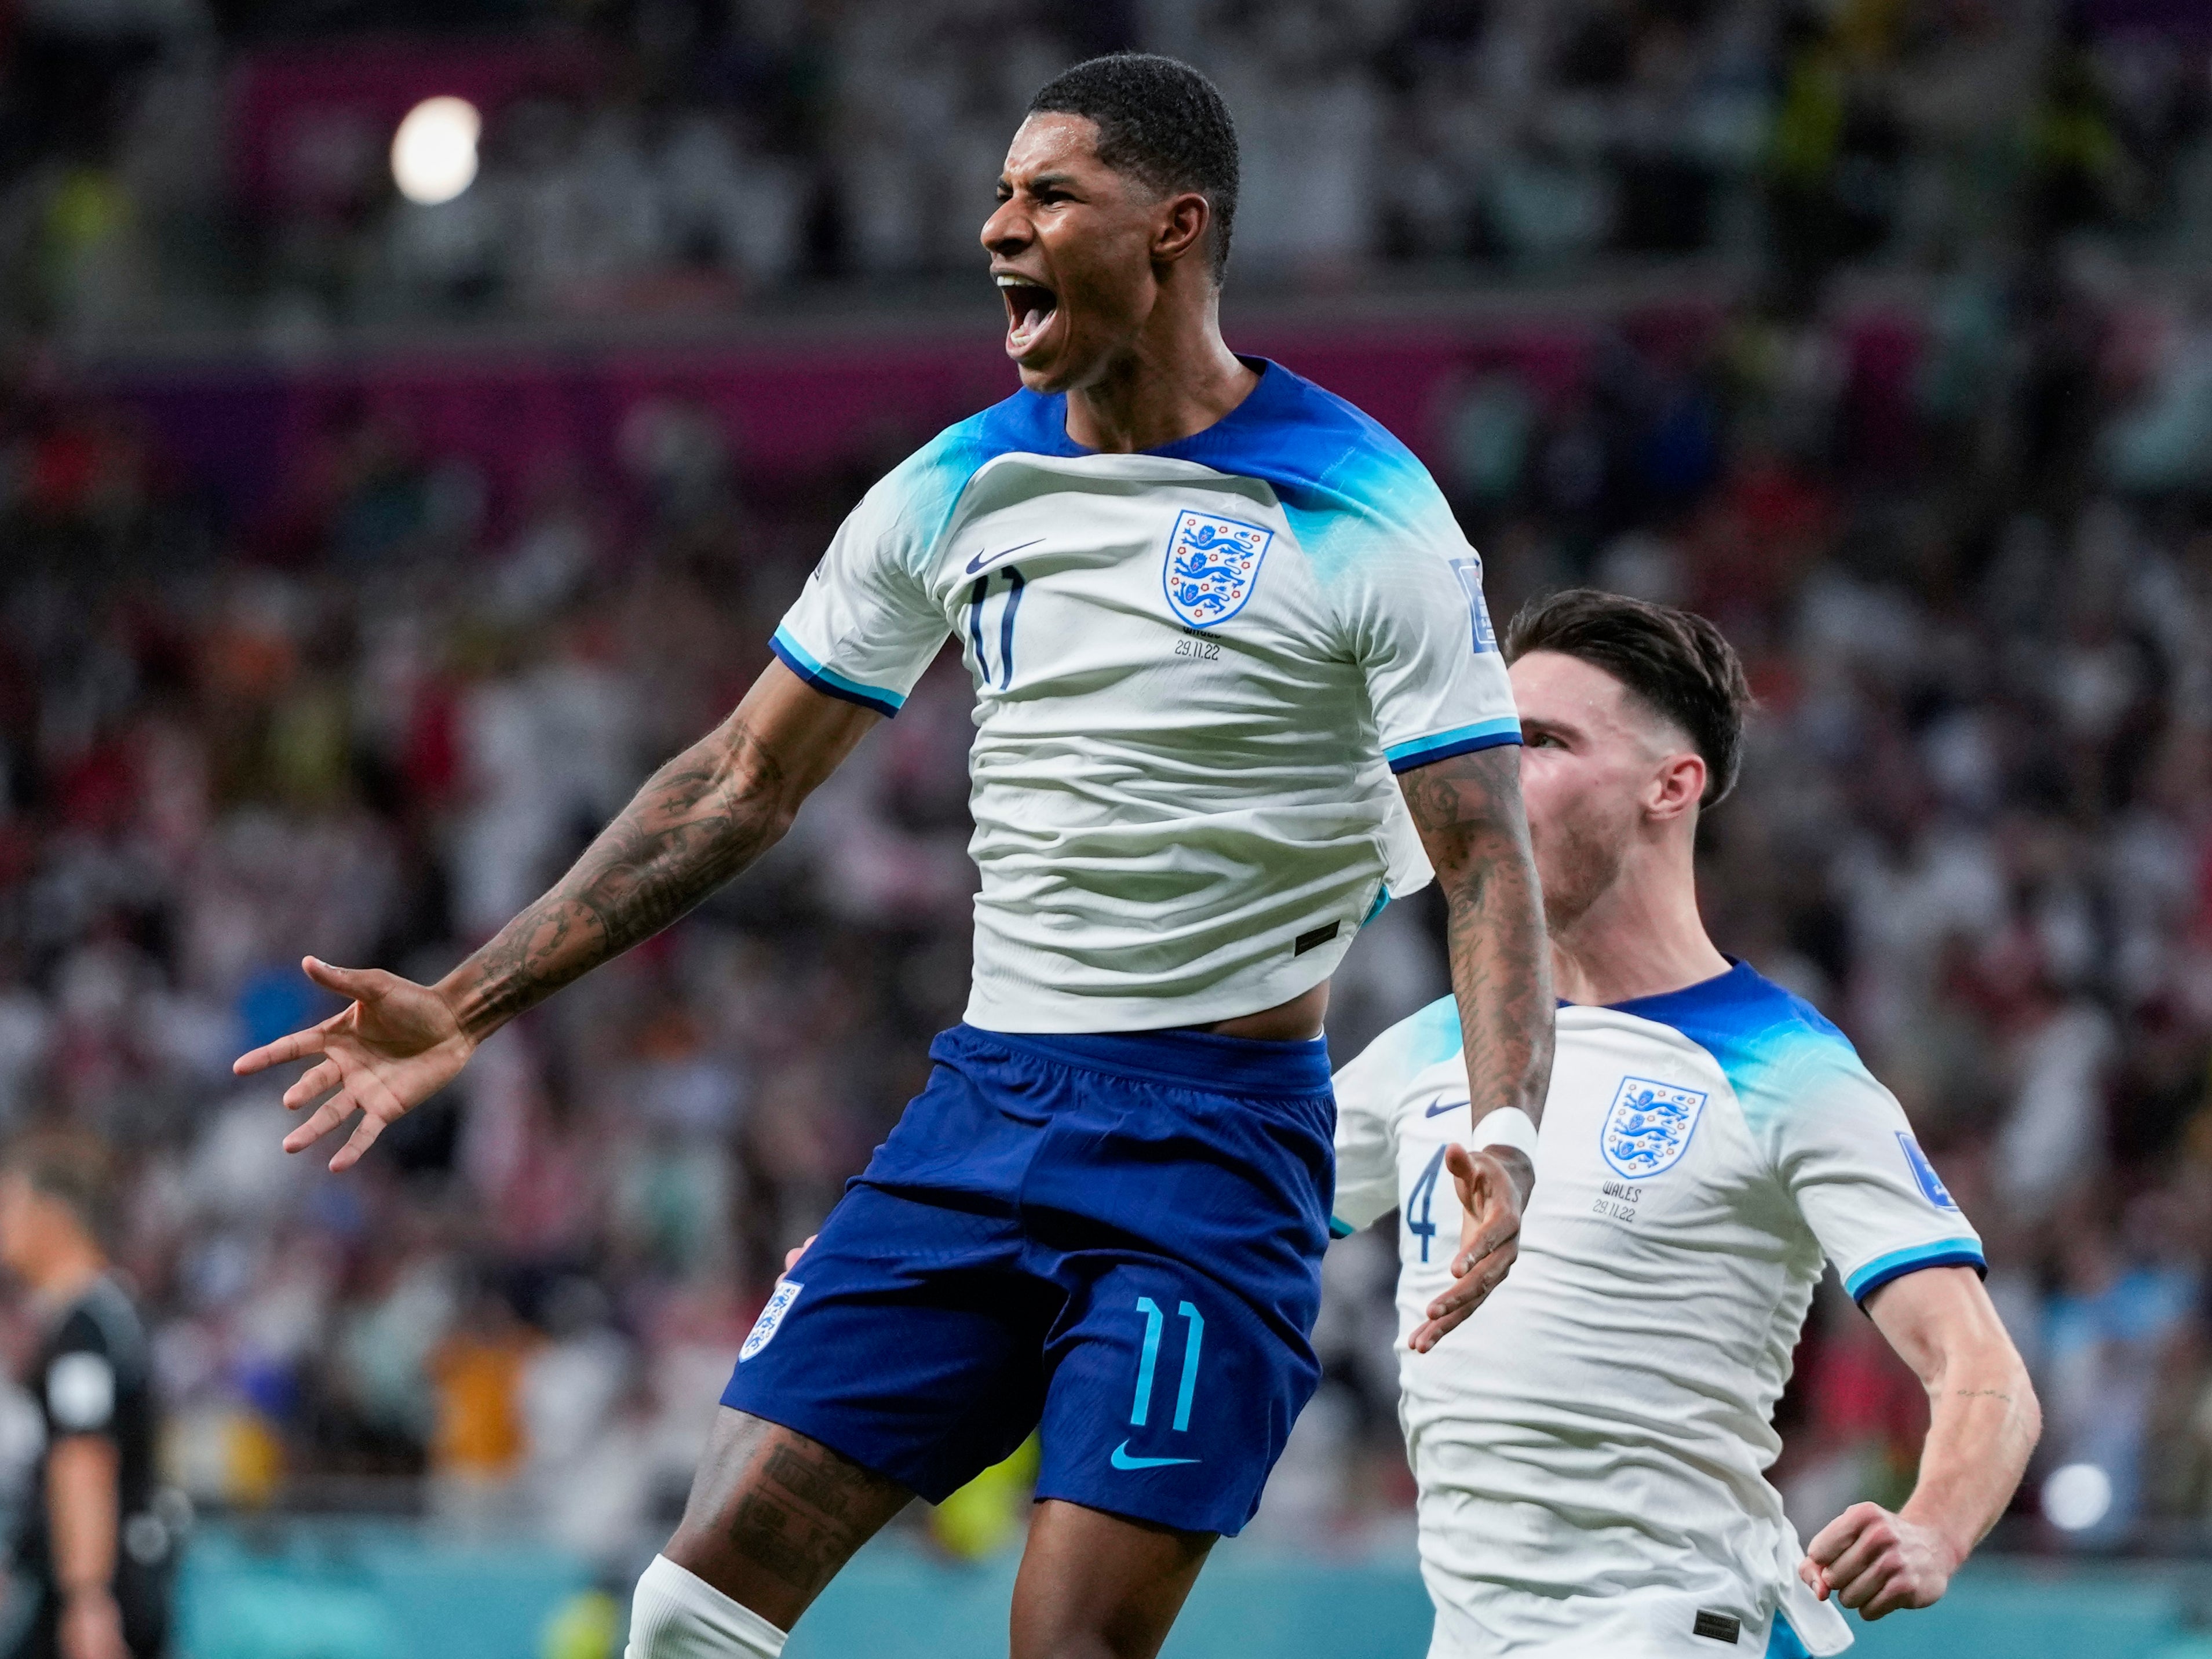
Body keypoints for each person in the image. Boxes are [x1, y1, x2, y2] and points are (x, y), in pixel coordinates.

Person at [233, 53, 1554, 1659]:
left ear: (1175, 229)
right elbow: (738, 779)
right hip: (981, 1113)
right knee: (684, 1611)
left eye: (1050, 195)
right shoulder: (953, 483)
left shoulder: (1370, 511)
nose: (1000, 227)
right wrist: (468, 1001)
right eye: (999, 192)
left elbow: (1483, 856)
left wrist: (1506, 1123)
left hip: (1211, 1157)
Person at [1331, 589, 2041, 1658]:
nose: (1493, 773)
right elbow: (1230, 1215)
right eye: (1493, 738)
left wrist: (1932, 1526)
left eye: (1544, 741)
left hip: (1661, 1628)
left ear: (1671, 784)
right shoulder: (1433, 1050)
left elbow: (1981, 1367)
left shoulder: (1786, 1070)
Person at [0, 1137, 173, 1659]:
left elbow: (84, 1457)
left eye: (11, 1203)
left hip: (101, 1587)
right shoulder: (106, 1313)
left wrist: (88, 1597)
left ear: (54, 1215)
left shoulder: (85, 1329)